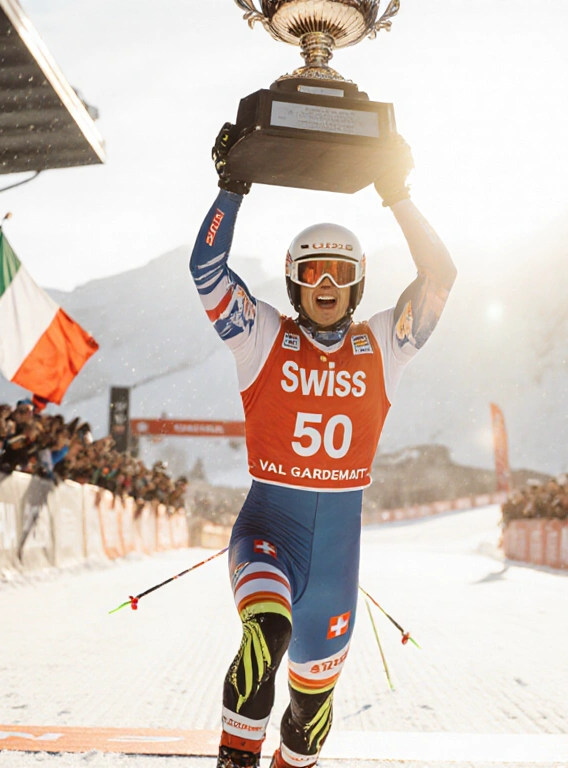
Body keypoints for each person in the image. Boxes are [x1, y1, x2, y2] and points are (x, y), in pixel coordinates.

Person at [194, 128, 455, 768]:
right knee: (267, 633)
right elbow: (207, 271)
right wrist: (232, 187)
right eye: (314, 272)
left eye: (341, 273)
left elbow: (441, 275)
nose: (327, 283)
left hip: (337, 562)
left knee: (309, 722)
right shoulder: (260, 335)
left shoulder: (384, 344)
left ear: (358, 284)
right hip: (268, 531)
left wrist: (397, 194)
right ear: (295, 282)